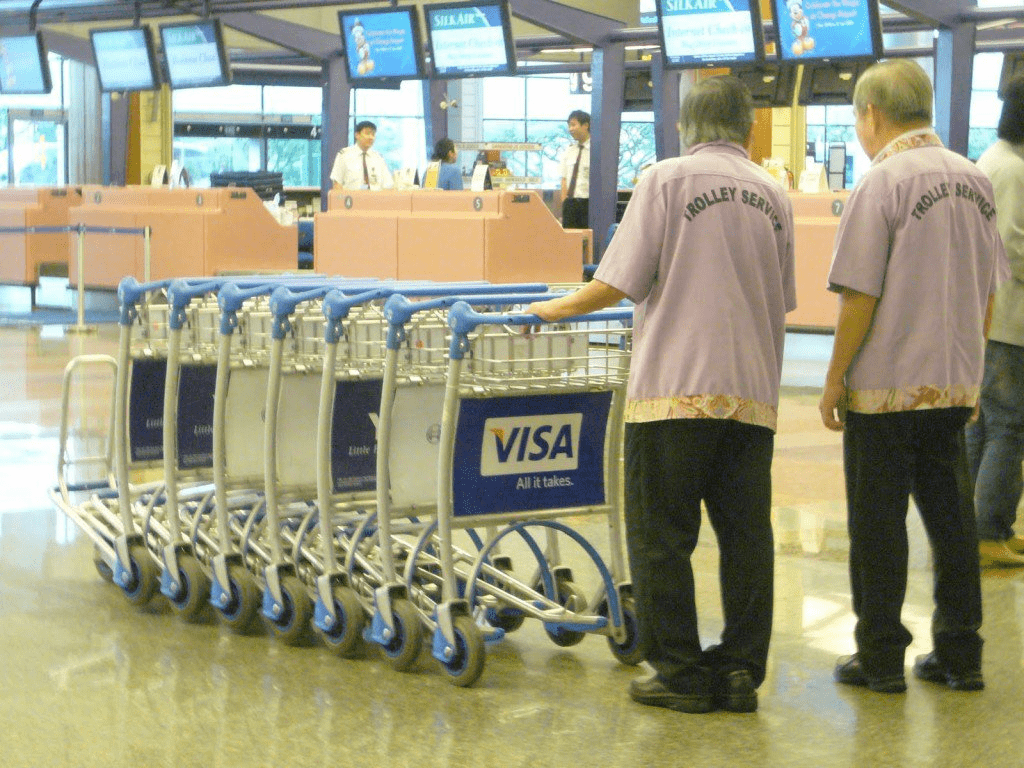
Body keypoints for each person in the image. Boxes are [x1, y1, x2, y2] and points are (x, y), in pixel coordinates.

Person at [528, 75, 796, 714]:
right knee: (746, 537)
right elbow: (782, 297)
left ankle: (679, 670)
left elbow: (617, 281)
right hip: (751, 394)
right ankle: (740, 670)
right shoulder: (774, 194)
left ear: (685, 126)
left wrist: (552, 309)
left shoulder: (666, 180)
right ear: (748, 127)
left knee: (662, 535)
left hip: (674, 392)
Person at [819, 59, 1007, 695]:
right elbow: (987, 291)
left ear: (872, 114)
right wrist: (970, 369)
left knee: (878, 526)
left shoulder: (882, 182)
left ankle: (879, 658)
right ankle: (960, 653)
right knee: (952, 520)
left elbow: (859, 295)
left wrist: (834, 378)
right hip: (951, 383)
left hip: (885, 387)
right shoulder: (975, 178)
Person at [966, 75, 1024, 568]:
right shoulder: (1014, 169)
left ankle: (977, 526)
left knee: (985, 425)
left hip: (991, 319)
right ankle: (987, 531)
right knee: (1009, 427)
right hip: (1009, 321)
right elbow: (1012, 249)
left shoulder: (992, 159)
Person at [330, 120, 393, 191]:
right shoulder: (344, 155)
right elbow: (337, 184)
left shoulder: (378, 158)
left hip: (375, 197)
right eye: (367, 133)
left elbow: (388, 184)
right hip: (351, 197)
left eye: (373, 134)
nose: (371, 137)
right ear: (357, 135)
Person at [559, 110, 591, 229]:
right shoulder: (569, 151)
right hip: (570, 204)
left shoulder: (597, 151)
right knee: (569, 238)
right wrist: (564, 203)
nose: (570, 129)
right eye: (569, 125)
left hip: (588, 204)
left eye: (573, 125)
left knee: (587, 238)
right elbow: (564, 179)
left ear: (585, 125)